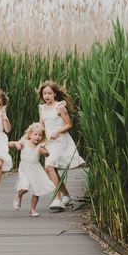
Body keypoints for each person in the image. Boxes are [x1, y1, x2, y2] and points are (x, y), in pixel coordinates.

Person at [38, 80, 84, 211]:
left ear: (55, 94)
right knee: (53, 170)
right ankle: (67, 196)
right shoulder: (41, 108)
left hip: (60, 141)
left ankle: (57, 199)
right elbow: (41, 124)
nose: (47, 96)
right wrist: (40, 139)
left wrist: (57, 131)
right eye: (44, 93)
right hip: (48, 142)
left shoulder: (59, 107)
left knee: (49, 167)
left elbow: (69, 124)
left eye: (49, 93)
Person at [9, 123, 55, 217]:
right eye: (35, 134)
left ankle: (33, 209)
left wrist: (45, 152)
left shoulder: (40, 146)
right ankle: (18, 195)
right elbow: (11, 143)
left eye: (40, 135)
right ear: (30, 135)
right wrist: (16, 144)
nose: (37, 137)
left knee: (36, 190)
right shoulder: (24, 142)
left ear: (42, 137)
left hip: (36, 169)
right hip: (25, 168)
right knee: (24, 187)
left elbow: (46, 153)